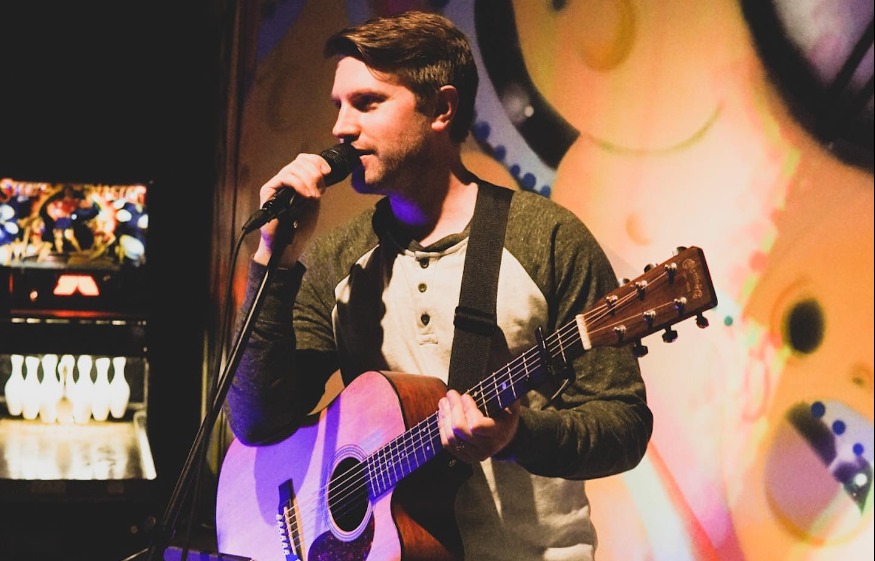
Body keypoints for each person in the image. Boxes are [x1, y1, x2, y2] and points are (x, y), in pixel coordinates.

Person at [224, 10, 653, 561]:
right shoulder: (337, 259)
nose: (340, 128)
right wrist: (274, 259)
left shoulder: (547, 238)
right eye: (338, 105)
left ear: (442, 109)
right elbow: (256, 419)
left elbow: (623, 425)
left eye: (366, 103)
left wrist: (518, 436)